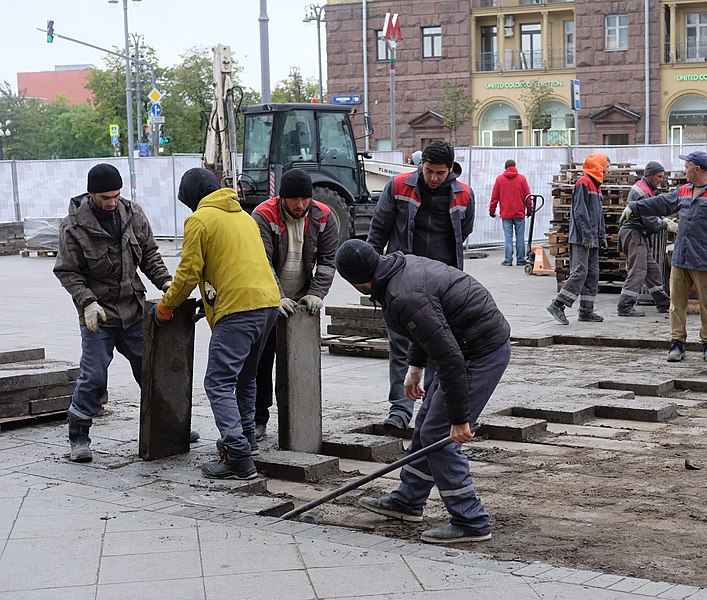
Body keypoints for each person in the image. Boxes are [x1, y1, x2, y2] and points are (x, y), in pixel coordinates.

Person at [335, 239, 510, 544]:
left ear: (358, 283)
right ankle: (408, 499)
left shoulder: (403, 295)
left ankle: (471, 519)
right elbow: (429, 327)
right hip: (465, 344)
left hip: (479, 351)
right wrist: (415, 368)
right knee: (427, 421)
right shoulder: (397, 270)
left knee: (439, 435)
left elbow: (449, 357)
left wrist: (459, 419)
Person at [155, 168, 280, 479]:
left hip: (238, 309)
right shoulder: (244, 217)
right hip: (268, 303)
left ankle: (237, 455)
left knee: (218, 382)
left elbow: (188, 272)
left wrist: (167, 305)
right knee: (246, 377)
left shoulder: (200, 220)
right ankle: (247, 436)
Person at [54, 163, 173, 463]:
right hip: (99, 316)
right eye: (106, 197)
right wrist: (87, 302)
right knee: (93, 375)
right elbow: (67, 271)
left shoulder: (133, 215)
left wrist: (168, 283)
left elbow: (149, 256)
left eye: (117, 196)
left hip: (132, 310)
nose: (112, 202)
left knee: (150, 369)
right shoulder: (74, 227)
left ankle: (166, 425)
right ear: (92, 194)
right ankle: (79, 435)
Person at [366, 140, 476, 430]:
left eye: (440, 173)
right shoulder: (399, 186)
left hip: (443, 287)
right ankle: (400, 412)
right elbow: (377, 233)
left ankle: (430, 413)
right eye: (429, 171)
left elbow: (464, 232)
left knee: (441, 349)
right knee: (401, 347)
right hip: (402, 282)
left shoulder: (464, 195)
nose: (434, 178)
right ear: (421, 166)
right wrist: (372, 278)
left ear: (451, 169)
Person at [621, 151, 707, 362]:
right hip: (681, 258)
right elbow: (663, 203)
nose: (683, 170)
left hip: (705, 260)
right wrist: (635, 207)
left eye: (686, 167)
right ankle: (677, 344)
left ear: (696, 169)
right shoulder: (684, 191)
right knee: (676, 304)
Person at [251, 168, 339, 440]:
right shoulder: (264, 215)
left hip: (302, 298)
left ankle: (298, 419)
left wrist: (316, 293)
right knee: (261, 361)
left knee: (298, 362)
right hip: (268, 299)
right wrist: (276, 296)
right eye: (293, 200)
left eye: (305, 199)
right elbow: (262, 262)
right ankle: (259, 418)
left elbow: (327, 261)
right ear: (282, 198)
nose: (300, 205)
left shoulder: (323, 216)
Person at [546, 153, 610, 325]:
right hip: (582, 238)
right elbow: (580, 212)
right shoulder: (584, 183)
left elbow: (599, 215)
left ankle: (586, 311)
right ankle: (558, 304)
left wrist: (601, 235)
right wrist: (588, 236)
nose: (607, 170)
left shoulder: (596, 186)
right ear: (599, 167)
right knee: (580, 272)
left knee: (592, 274)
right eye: (606, 166)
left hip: (592, 238)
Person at [616, 161, 674, 317]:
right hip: (634, 235)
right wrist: (664, 224)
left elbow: (650, 211)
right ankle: (625, 306)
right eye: (659, 176)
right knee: (639, 270)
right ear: (651, 175)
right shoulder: (644, 192)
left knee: (653, 270)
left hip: (636, 235)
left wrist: (662, 219)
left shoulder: (644, 188)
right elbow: (649, 219)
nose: (661, 180)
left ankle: (663, 303)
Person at [489, 159, 533, 266]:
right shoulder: (522, 179)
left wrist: (492, 210)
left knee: (508, 237)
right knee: (520, 236)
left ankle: (508, 260)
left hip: (506, 213)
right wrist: (529, 209)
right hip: (519, 212)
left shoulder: (500, 180)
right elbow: (527, 196)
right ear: (515, 166)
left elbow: (494, 197)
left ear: (505, 167)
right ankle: (520, 259)